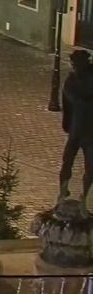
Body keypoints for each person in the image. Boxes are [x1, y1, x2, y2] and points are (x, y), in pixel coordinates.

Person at [58, 49, 93, 209]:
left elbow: (73, 100)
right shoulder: (71, 81)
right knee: (67, 162)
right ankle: (63, 191)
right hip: (76, 129)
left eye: (76, 64)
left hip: (90, 132)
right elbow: (67, 101)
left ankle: (84, 197)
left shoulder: (84, 80)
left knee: (90, 166)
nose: (74, 67)